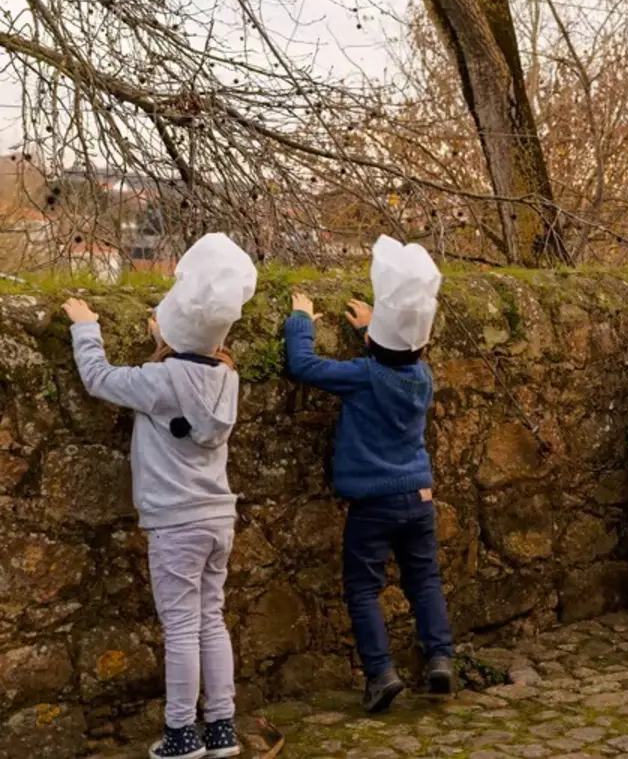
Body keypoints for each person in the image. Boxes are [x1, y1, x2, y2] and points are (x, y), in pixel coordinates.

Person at [64, 233, 257, 759]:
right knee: (211, 618)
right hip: (219, 517)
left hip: (175, 522)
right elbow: (193, 362)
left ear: (172, 331)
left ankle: (180, 734)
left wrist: (86, 327)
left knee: (180, 627)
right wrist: (170, 337)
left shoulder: (158, 380)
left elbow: (100, 377)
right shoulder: (228, 380)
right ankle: (221, 725)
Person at [283, 236, 454, 712]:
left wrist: (300, 319)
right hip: (419, 497)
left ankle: (381, 674)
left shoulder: (363, 375)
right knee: (424, 580)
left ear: (373, 342)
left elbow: (304, 365)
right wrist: (375, 328)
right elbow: (399, 351)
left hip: (374, 503)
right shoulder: (422, 376)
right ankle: (439, 658)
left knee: (362, 587)